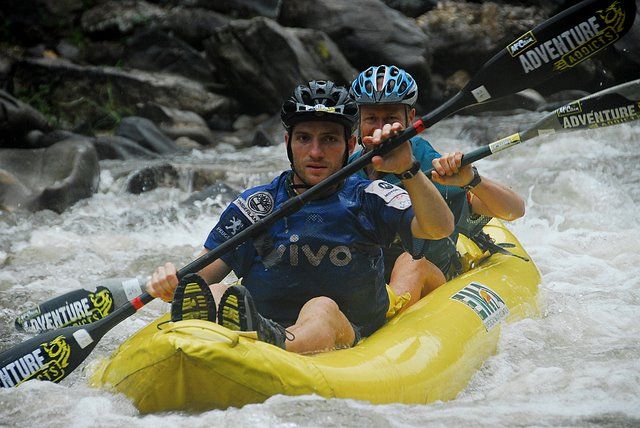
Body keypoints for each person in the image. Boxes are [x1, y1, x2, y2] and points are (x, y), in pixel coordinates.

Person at [147, 80, 454, 354]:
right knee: (215, 293)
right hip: (259, 320)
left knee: (320, 309)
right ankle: (217, 338)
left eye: (330, 140)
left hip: (346, 331)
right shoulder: (258, 204)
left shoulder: (370, 196)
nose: (316, 152)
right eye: (304, 138)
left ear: (350, 145)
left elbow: (439, 228)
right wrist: (171, 282)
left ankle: (274, 340)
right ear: (287, 143)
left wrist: (407, 169)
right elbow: (202, 275)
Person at [349, 65, 525, 311]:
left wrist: (471, 180)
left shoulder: (427, 161)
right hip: (369, 278)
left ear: (410, 119)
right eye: (371, 119)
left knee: (411, 262)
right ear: (358, 123)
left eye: (390, 119)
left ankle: (384, 314)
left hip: (430, 274)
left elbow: (514, 210)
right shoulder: (346, 169)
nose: (381, 128)